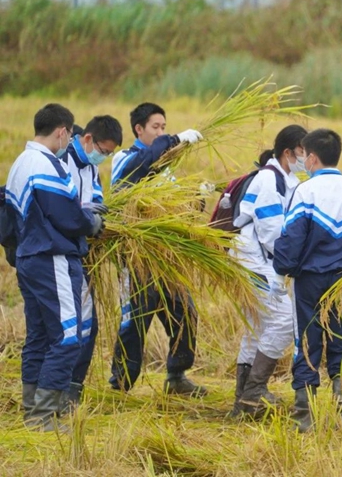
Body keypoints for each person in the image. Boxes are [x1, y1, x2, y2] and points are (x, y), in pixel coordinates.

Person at [5, 104, 104, 431]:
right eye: (70, 134)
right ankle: (43, 417)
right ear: (63, 131)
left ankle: (31, 408)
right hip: (53, 258)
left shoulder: (20, 163)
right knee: (66, 338)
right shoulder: (45, 164)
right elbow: (66, 216)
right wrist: (92, 223)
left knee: (39, 336)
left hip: (29, 259)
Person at [273, 129, 342, 432]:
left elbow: (291, 239)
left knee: (307, 342)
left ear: (312, 157)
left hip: (311, 281)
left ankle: (305, 416)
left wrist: (284, 266)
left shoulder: (305, 191)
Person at [108, 102, 207, 395]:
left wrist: (195, 198)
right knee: (134, 322)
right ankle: (119, 386)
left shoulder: (167, 169)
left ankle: (177, 376)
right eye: (156, 127)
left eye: (165, 127)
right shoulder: (125, 159)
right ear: (139, 129)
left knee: (185, 314)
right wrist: (174, 141)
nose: (162, 131)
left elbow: (179, 210)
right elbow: (142, 170)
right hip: (139, 258)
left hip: (167, 259)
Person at [229, 125, 307, 419]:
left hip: (260, 259)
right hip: (253, 259)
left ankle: (244, 402)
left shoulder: (287, 180)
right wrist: (294, 262)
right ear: (289, 152)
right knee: (285, 319)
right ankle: (254, 389)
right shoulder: (268, 179)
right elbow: (271, 231)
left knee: (257, 327)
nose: (306, 157)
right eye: (303, 151)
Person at [60, 115, 124, 412]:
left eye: (109, 154)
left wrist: (97, 213)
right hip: (59, 252)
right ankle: (55, 391)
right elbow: (62, 207)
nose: (104, 156)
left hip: (82, 251)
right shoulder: (61, 160)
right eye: (103, 150)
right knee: (69, 324)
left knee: (88, 324)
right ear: (87, 139)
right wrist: (86, 214)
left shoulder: (92, 166)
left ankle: (74, 387)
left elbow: (96, 198)